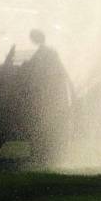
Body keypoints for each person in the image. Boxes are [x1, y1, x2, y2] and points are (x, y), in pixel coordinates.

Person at [23, 29, 73, 164]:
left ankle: (41, 153)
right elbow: (60, 68)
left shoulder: (43, 53)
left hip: (45, 93)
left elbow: (33, 69)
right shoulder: (48, 52)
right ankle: (44, 152)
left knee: (41, 122)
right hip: (49, 92)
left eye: (33, 37)